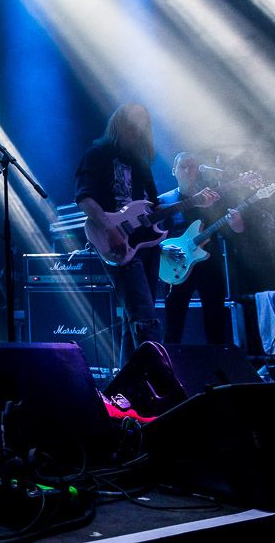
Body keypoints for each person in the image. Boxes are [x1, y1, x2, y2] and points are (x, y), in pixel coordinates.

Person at [74, 104, 217, 364]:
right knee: (145, 319)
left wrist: (194, 201)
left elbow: (155, 208)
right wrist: (110, 228)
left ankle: (128, 382)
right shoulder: (98, 154)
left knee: (136, 319)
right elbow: (84, 198)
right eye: (133, 121)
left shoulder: (140, 161)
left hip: (145, 245)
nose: (138, 128)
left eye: (143, 123)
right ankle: (159, 379)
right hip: (116, 242)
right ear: (120, 123)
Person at [161, 152, 243, 345]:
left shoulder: (213, 198)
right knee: (174, 323)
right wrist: (163, 249)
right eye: (183, 166)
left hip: (209, 263)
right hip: (177, 264)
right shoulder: (164, 201)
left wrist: (237, 223)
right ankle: (170, 361)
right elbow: (153, 236)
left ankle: (217, 361)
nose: (188, 171)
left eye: (192, 166)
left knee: (216, 320)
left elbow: (237, 230)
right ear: (174, 171)